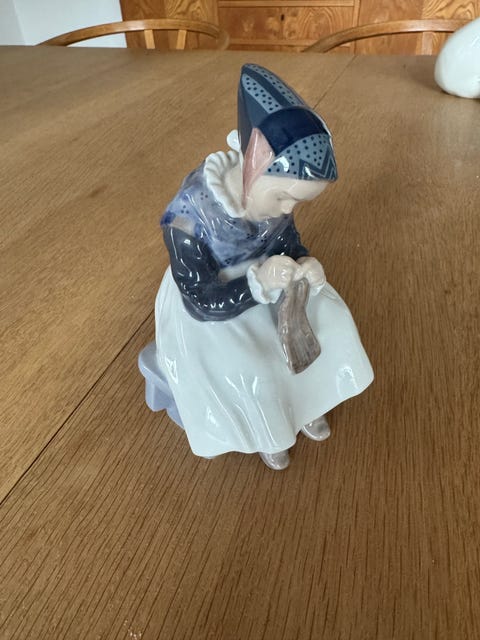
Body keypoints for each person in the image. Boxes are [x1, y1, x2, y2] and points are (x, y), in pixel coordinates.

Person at [151, 63, 373, 470]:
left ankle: (309, 404)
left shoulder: (275, 204)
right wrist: (256, 284)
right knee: (253, 365)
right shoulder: (188, 220)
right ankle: (268, 430)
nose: (287, 209)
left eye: (297, 202)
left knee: (330, 322)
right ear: (254, 166)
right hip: (217, 304)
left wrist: (304, 261)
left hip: (272, 279)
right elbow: (200, 300)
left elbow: (287, 242)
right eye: (283, 197)